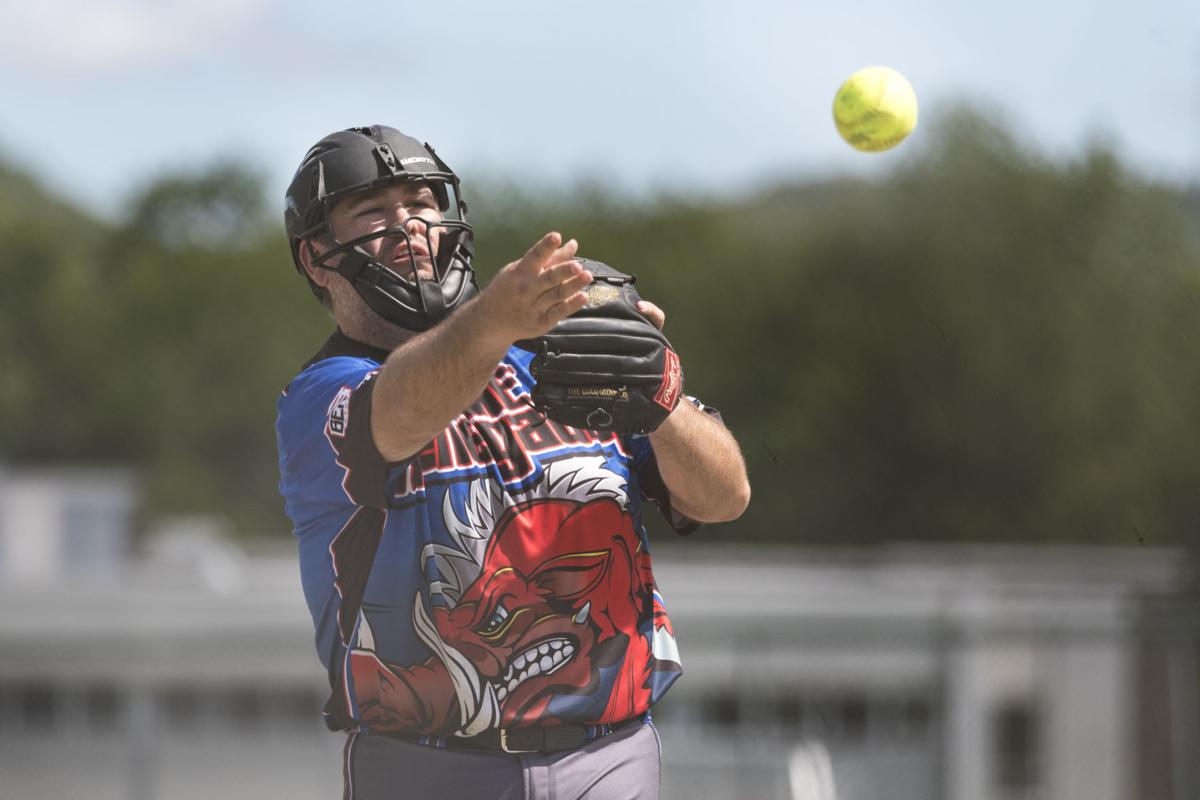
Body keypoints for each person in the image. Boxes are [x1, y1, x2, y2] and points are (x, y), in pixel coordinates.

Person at [275, 125, 750, 799]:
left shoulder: (559, 358)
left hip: (609, 752)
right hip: (427, 765)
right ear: (317, 257)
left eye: (421, 202)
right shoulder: (321, 393)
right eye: (372, 212)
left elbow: (724, 496)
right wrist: (496, 318)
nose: (407, 225)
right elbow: (404, 408)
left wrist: (661, 401)